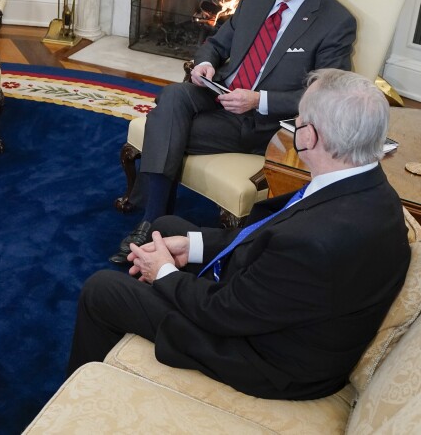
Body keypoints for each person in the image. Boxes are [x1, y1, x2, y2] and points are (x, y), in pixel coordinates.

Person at [69, 68, 409, 399]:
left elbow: (225, 313)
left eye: (298, 120)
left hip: (266, 359)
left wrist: (163, 274)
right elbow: (270, 235)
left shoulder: (313, 241)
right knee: (167, 227)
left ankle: (78, 403)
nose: (295, 127)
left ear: (311, 137)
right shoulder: (367, 186)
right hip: (278, 309)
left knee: (103, 290)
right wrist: (193, 246)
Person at [111, 0, 356, 264]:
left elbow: (327, 94)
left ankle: (150, 221)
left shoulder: (335, 21)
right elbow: (215, 44)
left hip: (261, 123)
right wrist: (205, 65)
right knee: (174, 96)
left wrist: (259, 100)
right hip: (220, 94)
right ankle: (156, 223)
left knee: (162, 121)